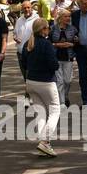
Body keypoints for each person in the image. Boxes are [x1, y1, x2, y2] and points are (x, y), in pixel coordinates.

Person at [22, 17, 61, 157]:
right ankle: (45, 141)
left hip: (31, 81)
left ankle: (44, 143)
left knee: (40, 112)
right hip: (46, 81)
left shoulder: (28, 43)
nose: (49, 30)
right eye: (47, 28)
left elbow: (24, 63)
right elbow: (54, 64)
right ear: (43, 29)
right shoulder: (47, 44)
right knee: (55, 110)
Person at [50, 8, 79, 108]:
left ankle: (65, 96)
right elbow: (49, 43)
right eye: (65, 16)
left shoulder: (73, 29)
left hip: (68, 58)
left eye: (69, 16)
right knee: (60, 81)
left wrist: (70, 44)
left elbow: (77, 43)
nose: (68, 18)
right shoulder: (53, 28)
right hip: (56, 57)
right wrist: (56, 45)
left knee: (68, 80)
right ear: (60, 18)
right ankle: (61, 102)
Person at [12, 1, 37, 78]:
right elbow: (15, 33)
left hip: (32, 52)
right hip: (21, 53)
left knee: (31, 75)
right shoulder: (19, 20)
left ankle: (31, 89)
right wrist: (15, 38)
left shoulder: (37, 19)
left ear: (31, 8)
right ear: (22, 9)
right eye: (24, 8)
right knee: (25, 76)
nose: (26, 9)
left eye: (28, 7)